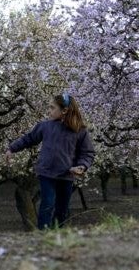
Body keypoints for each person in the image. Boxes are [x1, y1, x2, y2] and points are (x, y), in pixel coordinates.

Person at [7, 94, 96, 230]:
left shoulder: (79, 131)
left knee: (62, 209)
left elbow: (87, 153)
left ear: (64, 110)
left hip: (66, 175)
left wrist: (82, 166)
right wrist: (12, 148)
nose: (49, 111)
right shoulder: (45, 126)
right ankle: (43, 235)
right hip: (47, 173)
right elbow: (29, 138)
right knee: (47, 204)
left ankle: (57, 235)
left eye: (52, 108)